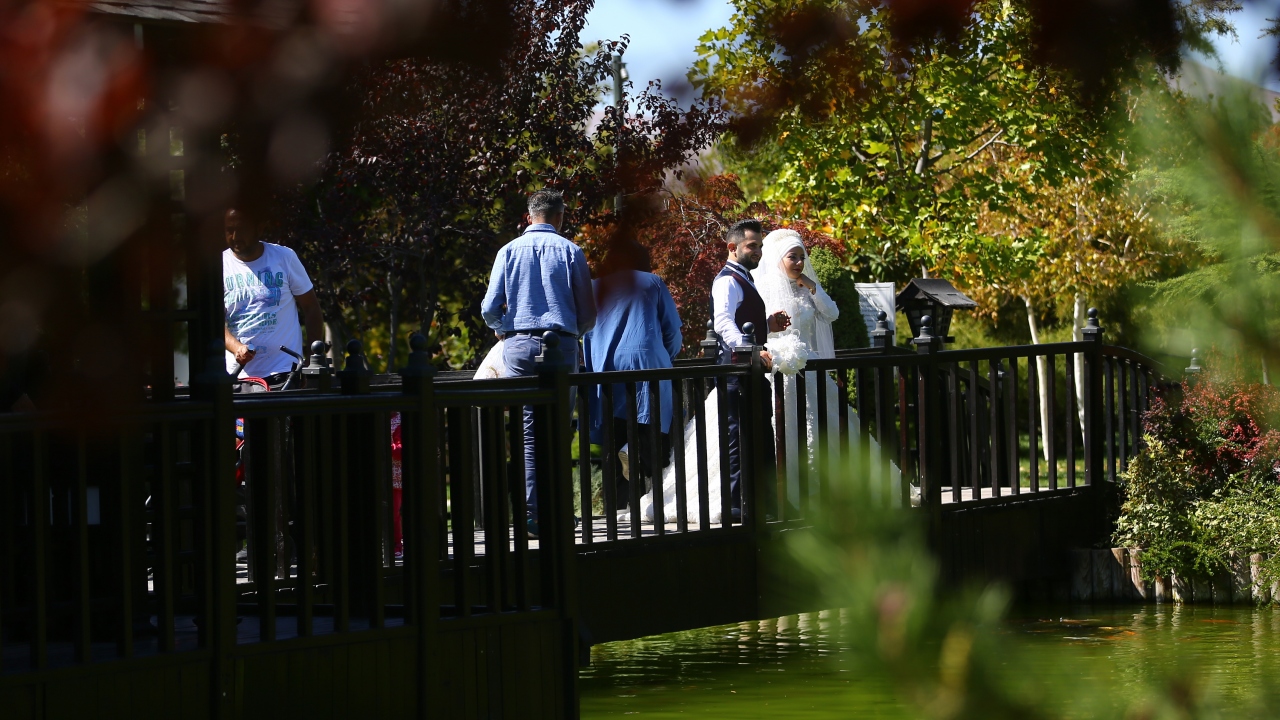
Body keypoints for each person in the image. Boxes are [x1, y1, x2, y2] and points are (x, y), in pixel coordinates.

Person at [480, 189, 596, 538]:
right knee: (558, 432)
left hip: (518, 344)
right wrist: (575, 332)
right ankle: (558, 510)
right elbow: (588, 313)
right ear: (559, 217)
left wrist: (504, 331)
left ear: (529, 217)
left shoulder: (507, 251)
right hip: (560, 344)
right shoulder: (571, 251)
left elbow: (489, 308)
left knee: (528, 435)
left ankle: (531, 516)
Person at [583, 238, 683, 516]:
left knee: (613, 435)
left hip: (605, 365)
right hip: (647, 362)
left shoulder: (594, 287)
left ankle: (620, 508)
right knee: (651, 425)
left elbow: (586, 336)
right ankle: (638, 458)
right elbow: (672, 330)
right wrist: (667, 357)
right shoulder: (652, 282)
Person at [752, 229, 841, 505]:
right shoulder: (763, 286)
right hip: (776, 367)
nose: (799, 263)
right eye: (793, 257)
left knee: (820, 428)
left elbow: (831, 314)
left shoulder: (806, 286)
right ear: (778, 258)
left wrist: (813, 287)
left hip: (808, 368)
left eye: (802, 257)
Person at [223, 207, 325, 385]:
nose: (235, 236)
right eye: (229, 230)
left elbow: (311, 309)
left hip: (285, 371)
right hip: (239, 377)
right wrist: (236, 347)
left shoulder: (284, 257)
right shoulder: (219, 265)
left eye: (242, 229)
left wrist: (310, 363)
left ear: (259, 228)